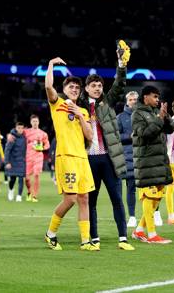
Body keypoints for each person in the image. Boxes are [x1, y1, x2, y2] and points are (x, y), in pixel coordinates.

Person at [78, 41, 132, 250]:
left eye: (100, 86)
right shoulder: (80, 107)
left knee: (117, 199)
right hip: (89, 159)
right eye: (94, 86)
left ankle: (123, 238)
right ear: (87, 88)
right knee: (90, 201)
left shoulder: (107, 103)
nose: (98, 88)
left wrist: (121, 63)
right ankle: (94, 237)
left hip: (109, 158)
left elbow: (119, 85)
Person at [43, 57, 97, 251]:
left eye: (77, 88)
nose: (74, 89)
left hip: (82, 158)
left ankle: (85, 241)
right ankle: (50, 234)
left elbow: (90, 136)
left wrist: (81, 115)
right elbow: (48, 86)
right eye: (71, 87)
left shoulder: (82, 110)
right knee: (70, 199)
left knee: (84, 199)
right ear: (64, 90)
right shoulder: (57, 104)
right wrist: (51, 65)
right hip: (65, 157)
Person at [131, 85, 174, 244]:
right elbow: (144, 134)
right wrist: (159, 119)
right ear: (145, 97)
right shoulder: (137, 114)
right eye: (155, 97)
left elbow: (171, 129)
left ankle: (139, 230)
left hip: (160, 161)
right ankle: (151, 235)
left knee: (156, 198)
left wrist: (166, 116)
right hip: (147, 162)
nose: (158, 99)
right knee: (149, 197)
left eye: (158, 97)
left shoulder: (156, 113)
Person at [117, 91, 139, 227]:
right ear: (127, 101)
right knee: (127, 187)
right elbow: (116, 137)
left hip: (141, 155)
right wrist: (129, 136)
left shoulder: (143, 115)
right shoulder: (120, 117)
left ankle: (154, 214)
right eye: (130, 99)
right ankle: (130, 216)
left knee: (146, 187)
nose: (133, 102)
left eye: (135, 99)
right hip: (126, 157)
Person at [24, 115, 50, 202]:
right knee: (27, 178)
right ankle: (29, 192)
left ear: (38, 122)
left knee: (36, 175)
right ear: (31, 122)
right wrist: (10, 135)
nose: (35, 123)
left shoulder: (43, 133)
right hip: (28, 157)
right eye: (33, 121)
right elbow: (17, 133)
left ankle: (35, 196)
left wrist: (42, 148)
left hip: (38, 156)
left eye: (36, 121)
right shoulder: (26, 132)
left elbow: (47, 144)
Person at [5, 122, 27, 202]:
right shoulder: (12, 137)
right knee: (13, 179)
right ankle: (11, 191)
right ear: (15, 128)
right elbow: (7, 150)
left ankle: (19, 196)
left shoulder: (25, 137)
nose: (20, 130)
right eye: (18, 128)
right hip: (13, 162)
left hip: (21, 161)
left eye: (22, 128)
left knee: (21, 179)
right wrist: (7, 162)